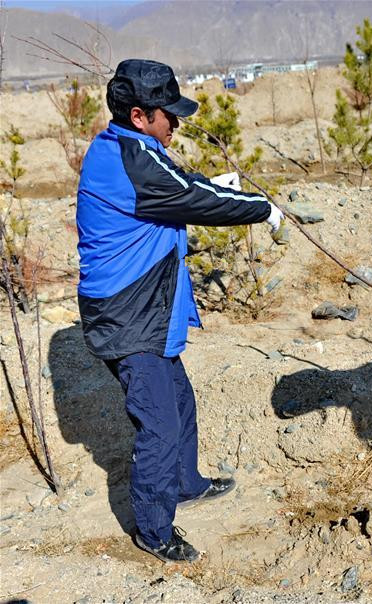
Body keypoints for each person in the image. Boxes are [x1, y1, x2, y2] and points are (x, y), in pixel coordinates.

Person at [77, 59, 285, 563]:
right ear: (139, 114)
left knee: (179, 401)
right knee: (160, 427)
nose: (177, 121)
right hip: (128, 315)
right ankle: (153, 530)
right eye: (168, 113)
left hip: (146, 309)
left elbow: (179, 183)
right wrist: (261, 207)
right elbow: (189, 195)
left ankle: (185, 484)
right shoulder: (129, 159)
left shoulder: (132, 149)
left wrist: (219, 184)